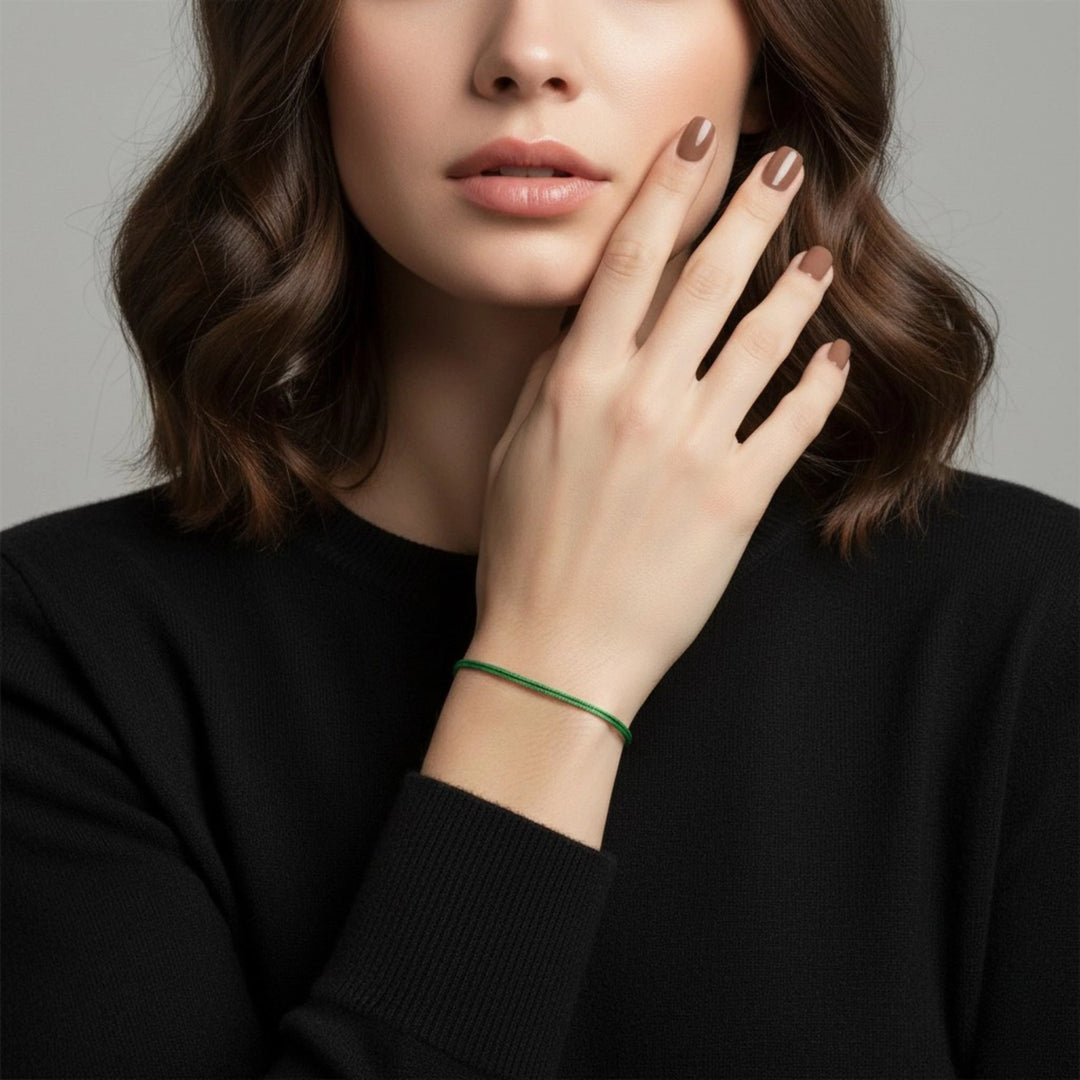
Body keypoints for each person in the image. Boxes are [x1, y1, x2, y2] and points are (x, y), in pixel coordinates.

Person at [2, 0, 1076, 1076]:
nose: (527, 54)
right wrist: (553, 663)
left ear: (767, 60)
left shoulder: (1033, 625)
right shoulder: (60, 649)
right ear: (301, 43)